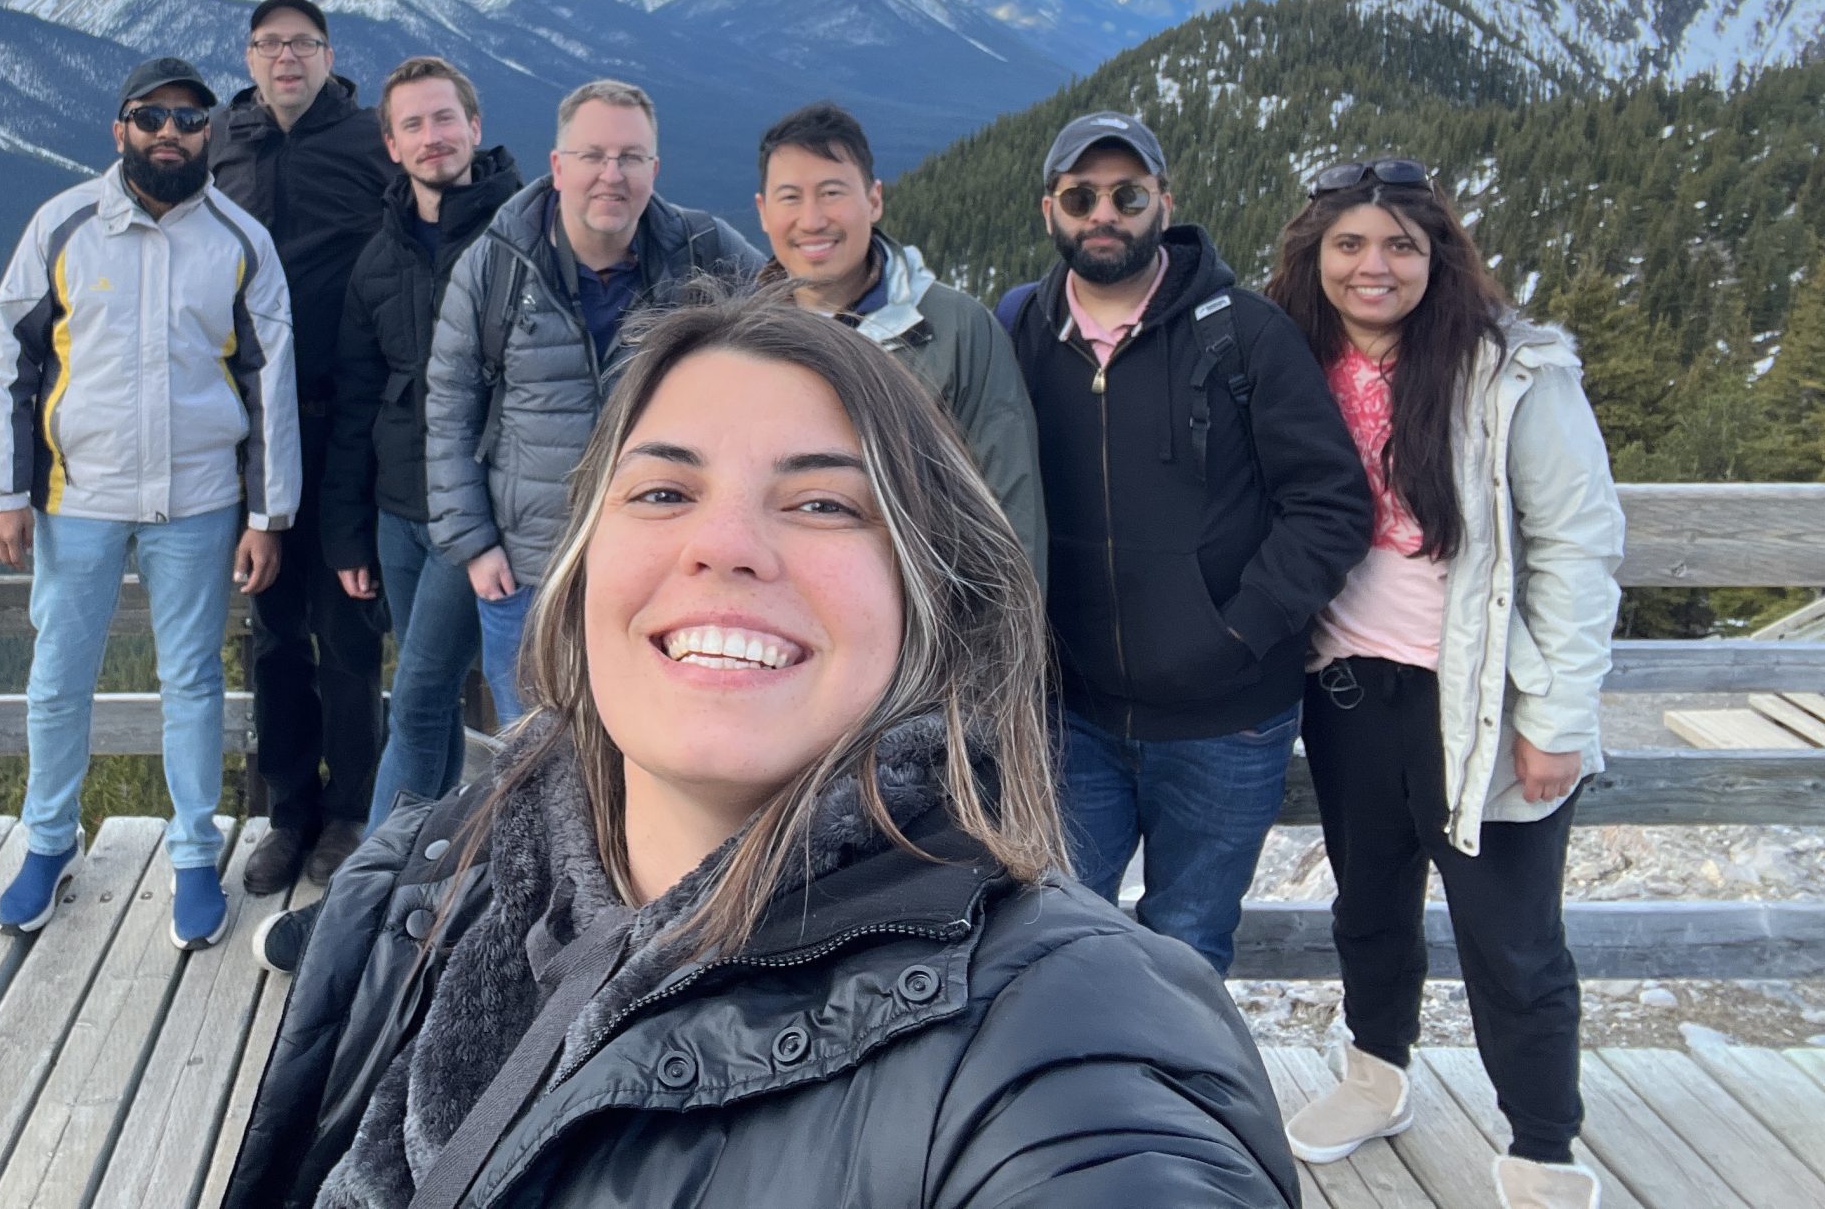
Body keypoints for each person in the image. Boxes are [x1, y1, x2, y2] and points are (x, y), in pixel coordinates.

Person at [222, 289, 1299, 1209]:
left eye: (823, 503)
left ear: (936, 598)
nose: (725, 544)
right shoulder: (425, 882)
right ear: (587, 559)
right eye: (660, 491)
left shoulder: (1056, 1028)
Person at [1263, 161, 1621, 1209]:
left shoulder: (1512, 372)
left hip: (1481, 703)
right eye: (1348, 245)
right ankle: (1376, 1076)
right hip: (1345, 689)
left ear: (1438, 255)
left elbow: (1575, 544)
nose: (1372, 266)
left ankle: (1543, 1144)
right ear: (1314, 255)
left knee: (1509, 937)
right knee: (1368, 907)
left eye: (1399, 246)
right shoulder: (1293, 359)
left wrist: (1556, 718)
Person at [999, 110, 1371, 974]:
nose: (1104, 214)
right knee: (1051, 944)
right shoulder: (1019, 332)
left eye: (1126, 194)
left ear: (1164, 202)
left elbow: (1331, 503)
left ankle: (1172, 1108)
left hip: (1225, 719)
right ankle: (1071, 1108)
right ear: (1048, 208)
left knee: (1188, 948)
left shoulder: (1243, 333)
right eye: (1081, 195)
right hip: (1073, 715)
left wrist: (1240, 631)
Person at [0, 57, 298, 948]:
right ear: (119, 129)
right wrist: (3, 493)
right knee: (58, 674)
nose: (170, 133)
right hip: (77, 495)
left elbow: (272, 385)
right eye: (150, 117)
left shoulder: (239, 240)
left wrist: (268, 515)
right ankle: (48, 842)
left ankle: (193, 853)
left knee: (192, 680)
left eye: (189, 120)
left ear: (209, 134)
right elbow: (8, 356)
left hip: (196, 499)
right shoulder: (63, 224)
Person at [424, 79, 762, 712]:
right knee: (530, 753)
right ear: (557, 166)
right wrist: (473, 542)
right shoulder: (494, 264)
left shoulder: (702, 253)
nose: (612, 175)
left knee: (650, 741)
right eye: (592, 156)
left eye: (631, 158)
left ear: (654, 170)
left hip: (660, 571)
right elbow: (448, 406)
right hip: (528, 570)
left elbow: (798, 313)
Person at [212, 0, 396, 893]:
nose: (287, 57)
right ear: (249, 57)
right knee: (275, 630)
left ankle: (354, 810)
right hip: (250, 430)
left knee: (350, 627)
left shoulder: (371, 140)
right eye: (270, 43)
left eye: (304, 43)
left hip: (341, 418)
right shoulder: (218, 144)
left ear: (329, 55)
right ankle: (289, 810)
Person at [321, 57, 523, 826]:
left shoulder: (523, 235)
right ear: (392, 145)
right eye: (413, 125)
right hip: (397, 510)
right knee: (429, 699)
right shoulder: (380, 258)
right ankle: (431, 858)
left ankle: (372, 885)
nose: (432, 138)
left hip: (477, 510)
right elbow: (354, 403)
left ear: (474, 127)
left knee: (417, 698)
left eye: (445, 119)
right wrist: (349, 533)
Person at [752, 100, 1046, 576]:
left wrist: (999, 646)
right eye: (790, 197)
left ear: (874, 200)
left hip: (927, 630)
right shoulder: (742, 344)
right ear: (763, 212)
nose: (811, 220)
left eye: (832, 192)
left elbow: (1010, 514)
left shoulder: (957, 331)